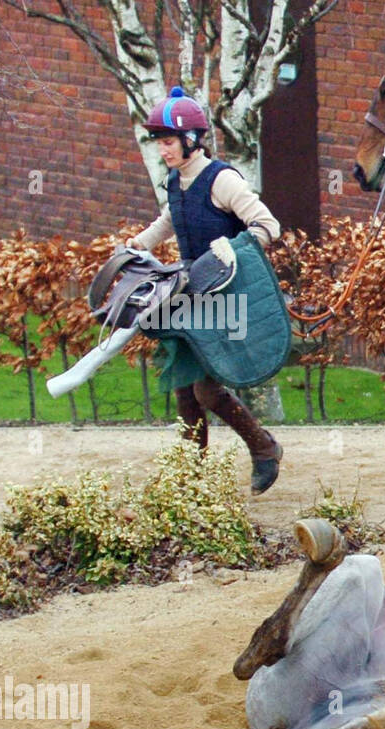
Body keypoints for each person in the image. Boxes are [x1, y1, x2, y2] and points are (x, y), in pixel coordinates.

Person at [128, 86, 284, 495]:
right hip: (190, 296)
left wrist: (230, 247)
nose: (162, 151)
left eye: (167, 142)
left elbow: (268, 227)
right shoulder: (177, 183)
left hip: (228, 297)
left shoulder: (223, 180)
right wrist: (137, 244)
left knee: (205, 389)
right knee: (184, 388)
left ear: (191, 140)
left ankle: (264, 447)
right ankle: (190, 481)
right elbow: (169, 221)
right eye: (160, 143)